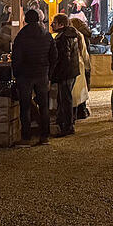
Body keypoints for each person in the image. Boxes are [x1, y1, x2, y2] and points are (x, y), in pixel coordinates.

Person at [12, 9, 58, 144]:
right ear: (38, 19)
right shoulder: (46, 34)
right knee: (44, 105)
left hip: (25, 75)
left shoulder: (21, 36)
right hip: (42, 74)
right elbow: (54, 56)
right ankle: (45, 136)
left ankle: (26, 137)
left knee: (25, 106)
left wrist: (16, 74)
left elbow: (16, 58)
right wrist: (49, 73)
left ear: (25, 20)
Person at [49, 14, 81, 137]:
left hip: (65, 73)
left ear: (61, 25)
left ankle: (67, 126)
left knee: (65, 99)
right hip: (71, 72)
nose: (52, 25)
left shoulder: (63, 38)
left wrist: (56, 74)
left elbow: (64, 58)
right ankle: (63, 122)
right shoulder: (71, 35)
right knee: (64, 98)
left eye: (54, 23)